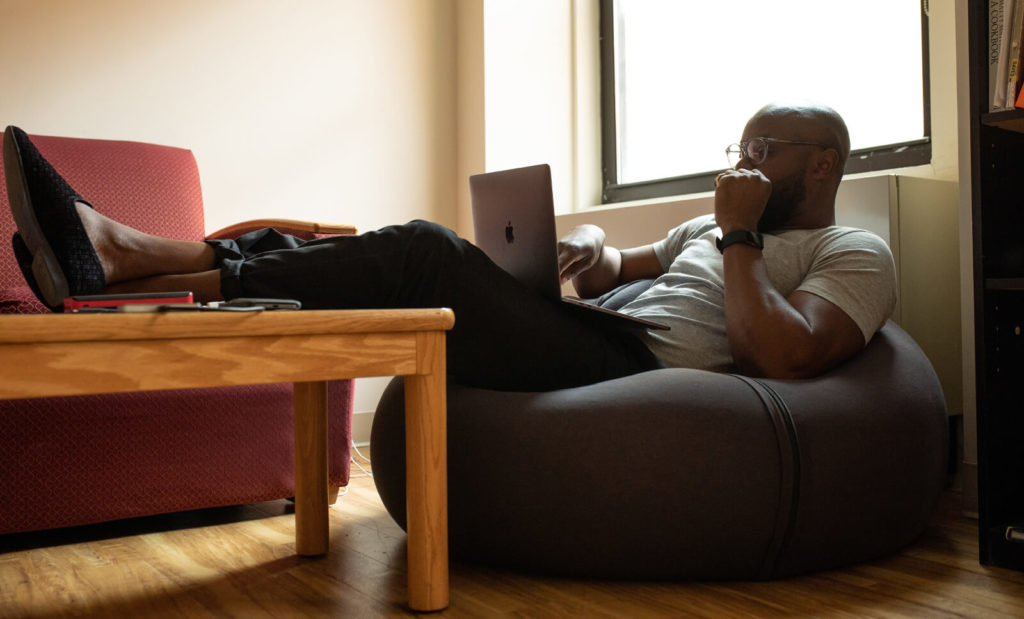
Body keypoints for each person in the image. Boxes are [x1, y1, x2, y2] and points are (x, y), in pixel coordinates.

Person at [4, 102, 895, 392]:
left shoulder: (853, 253)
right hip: (596, 327)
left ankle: (126, 256)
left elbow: (778, 353)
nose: (740, 165)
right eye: (738, 149)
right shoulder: (706, 229)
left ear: (821, 165)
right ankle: (129, 261)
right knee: (375, 252)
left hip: (631, 367)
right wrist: (587, 245)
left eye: (760, 153)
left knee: (422, 253)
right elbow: (622, 269)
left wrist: (737, 230)